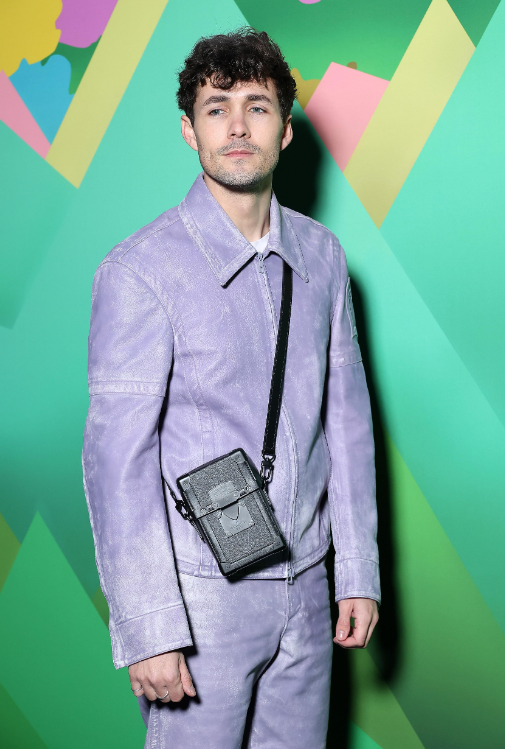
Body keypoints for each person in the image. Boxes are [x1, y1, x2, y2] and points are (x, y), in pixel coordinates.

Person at [82, 27, 380, 749]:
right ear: (189, 130)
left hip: (309, 588)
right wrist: (150, 626)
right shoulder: (140, 271)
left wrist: (357, 570)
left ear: (285, 129)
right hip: (201, 597)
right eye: (217, 109)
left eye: (257, 106)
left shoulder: (322, 255)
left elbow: (346, 422)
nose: (238, 126)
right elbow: (117, 462)